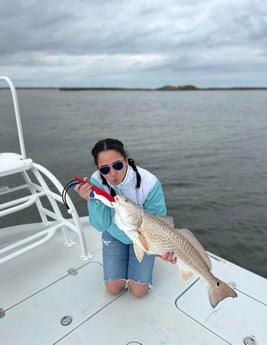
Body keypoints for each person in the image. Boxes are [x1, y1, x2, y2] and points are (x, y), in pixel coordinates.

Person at [75, 138, 175, 298]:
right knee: (113, 288)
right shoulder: (96, 180)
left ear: (126, 161)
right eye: (105, 169)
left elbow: (158, 221)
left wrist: (160, 248)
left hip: (143, 236)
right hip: (114, 234)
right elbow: (101, 225)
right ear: (98, 168)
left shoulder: (149, 183)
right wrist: (92, 200)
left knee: (138, 292)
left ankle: (140, 264)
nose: (113, 174)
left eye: (118, 165)